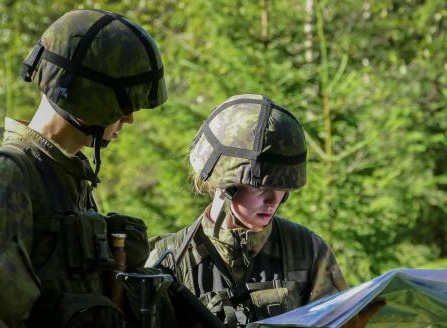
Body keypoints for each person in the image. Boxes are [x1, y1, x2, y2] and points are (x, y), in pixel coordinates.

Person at [0, 9, 168, 327]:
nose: (129, 118)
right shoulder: (6, 178)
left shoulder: (65, 176)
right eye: (125, 104)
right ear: (92, 99)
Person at [148, 94, 348, 328]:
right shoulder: (168, 262)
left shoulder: (308, 252)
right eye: (260, 186)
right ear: (223, 186)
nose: (273, 199)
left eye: (282, 187)